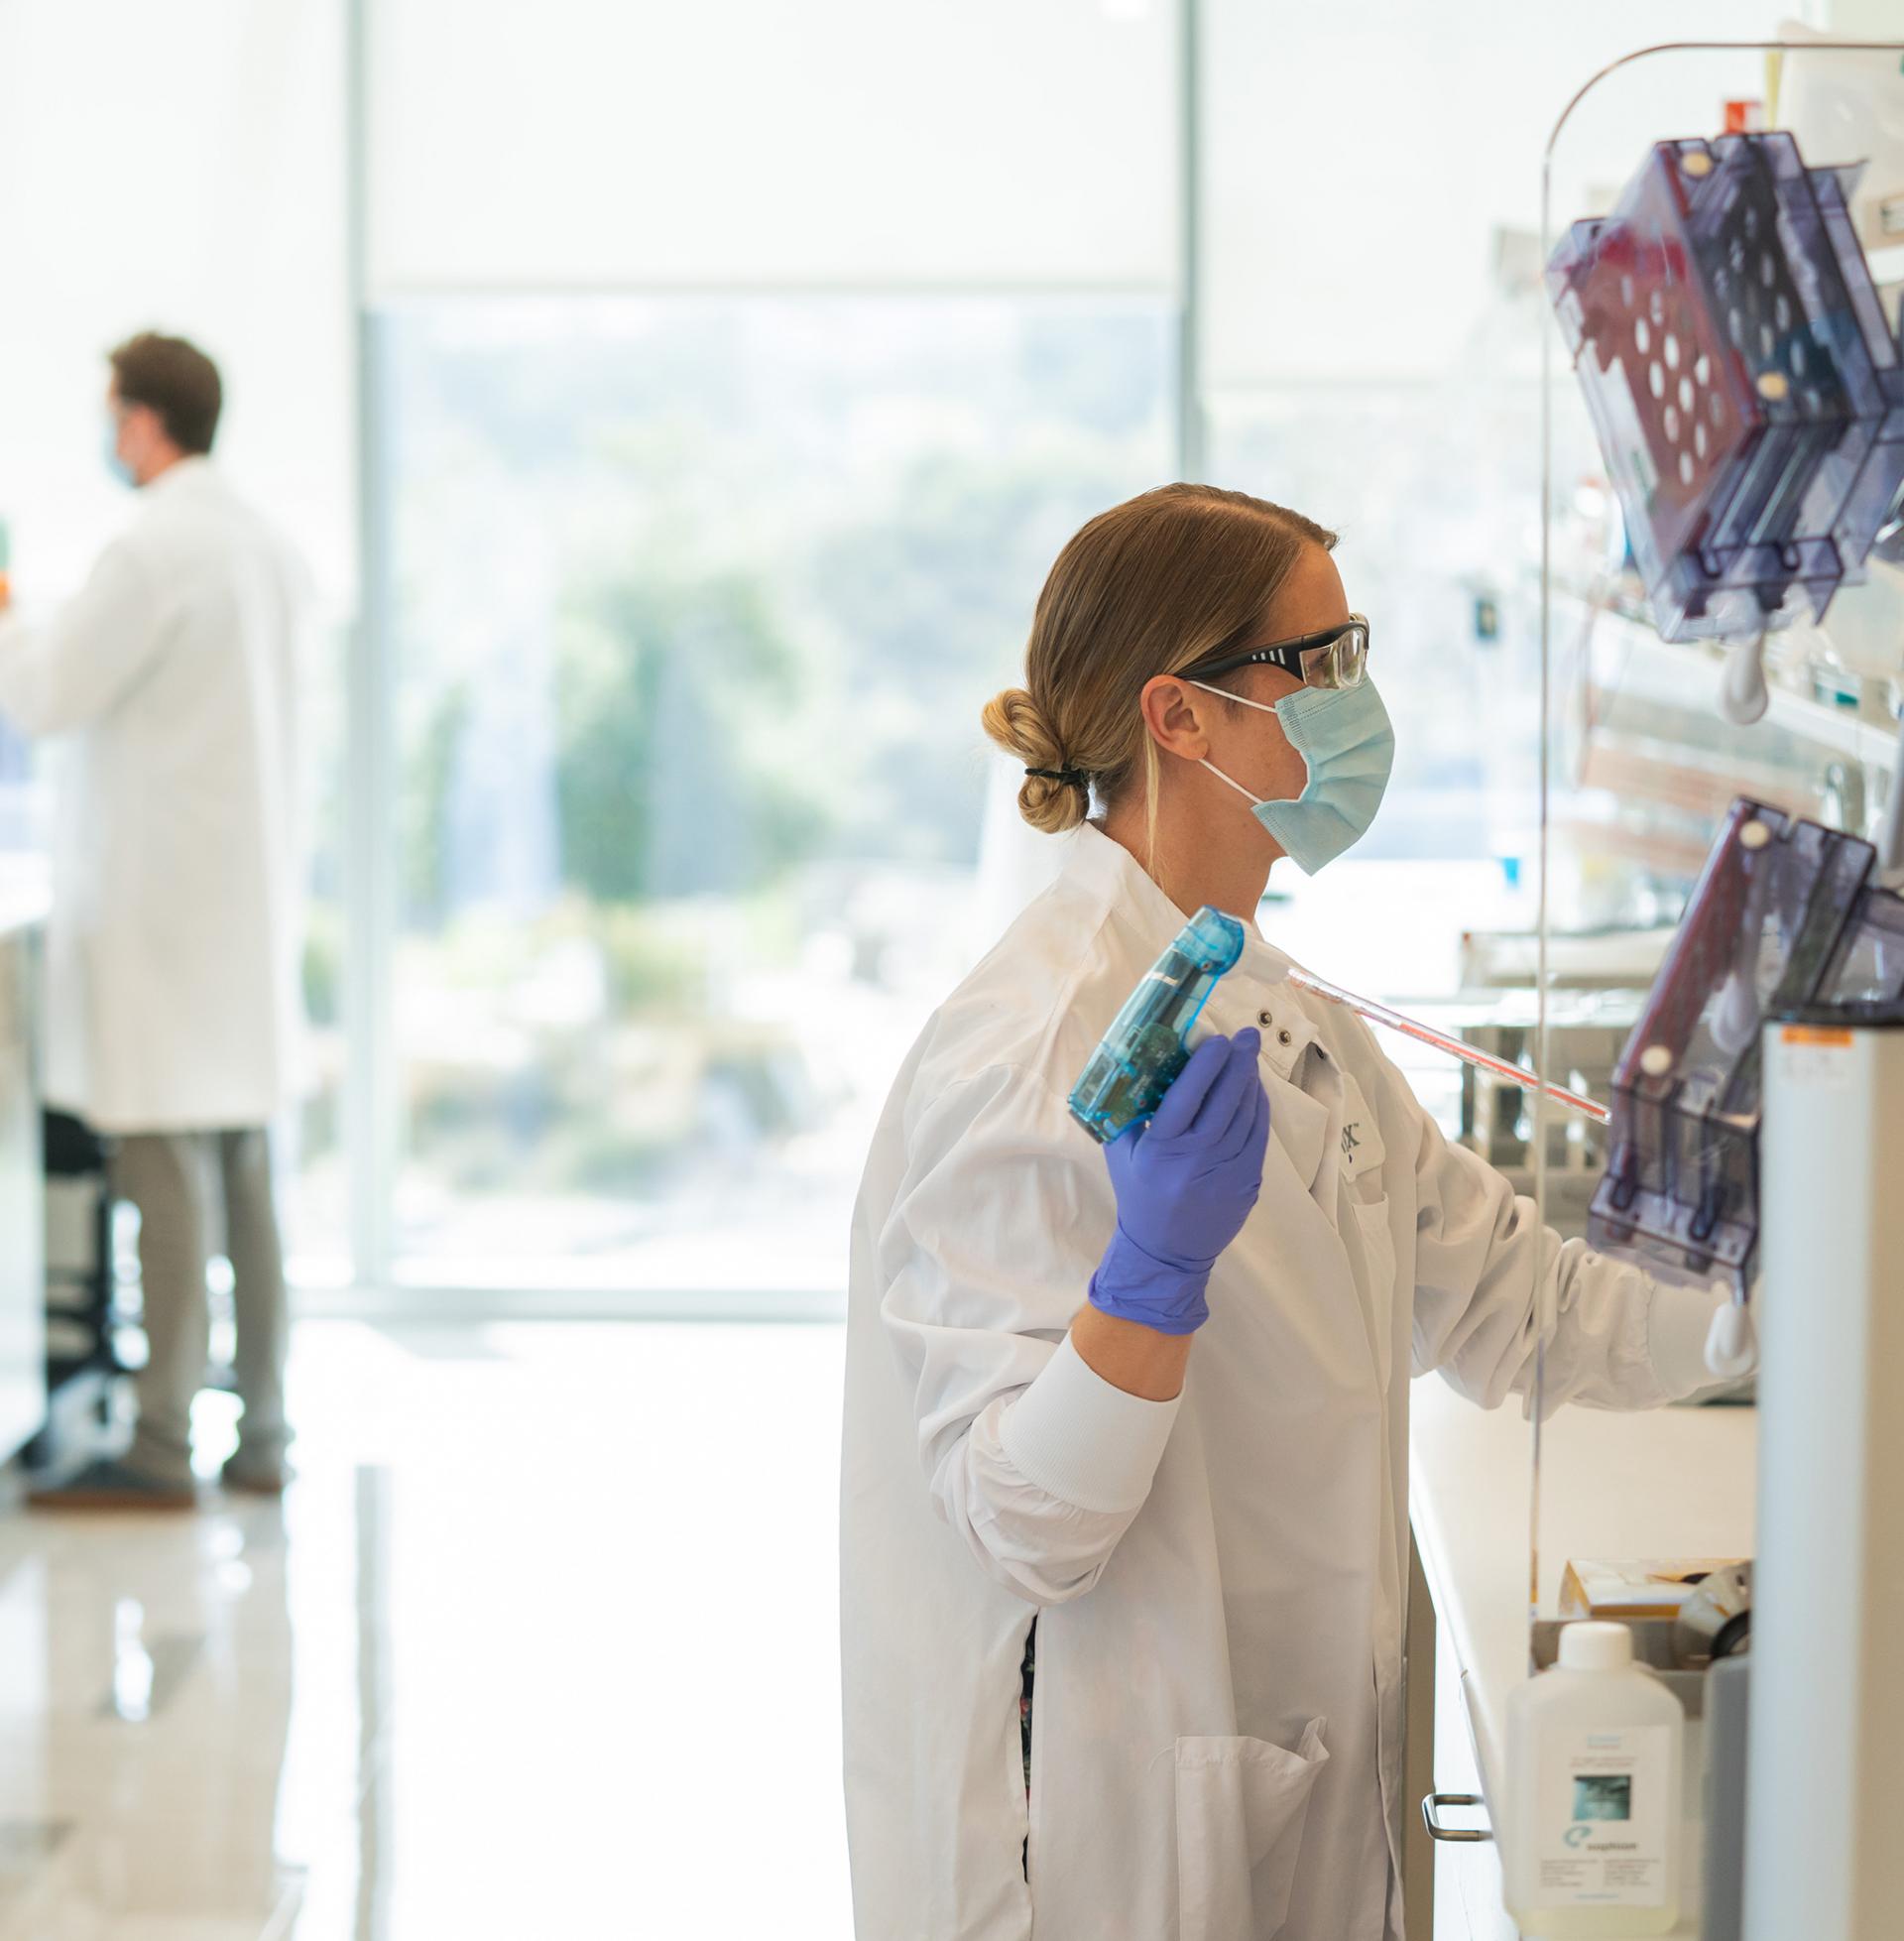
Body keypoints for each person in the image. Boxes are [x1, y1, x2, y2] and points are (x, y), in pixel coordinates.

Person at [838, 484, 1730, 1940]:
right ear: (1179, 717)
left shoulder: (1271, 997)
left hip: (1272, 1779)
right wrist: (1150, 1277)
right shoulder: (1030, 1042)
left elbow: (1524, 1309)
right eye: (1321, 666)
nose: (1359, 704)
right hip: (1093, 1835)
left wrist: (1800, 1293)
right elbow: (1018, 1523)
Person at [0, 332, 309, 1508]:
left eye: (108, 415)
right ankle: (263, 1430)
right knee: (242, 1172)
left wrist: (5, 607)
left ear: (140, 422)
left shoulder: (151, 548)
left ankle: (161, 1445)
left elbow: (44, 693)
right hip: (235, 906)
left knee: (165, 1179)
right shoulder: (266, 545)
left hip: (163, 915)